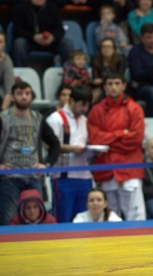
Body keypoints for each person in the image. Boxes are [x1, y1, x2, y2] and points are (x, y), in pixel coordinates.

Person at [0, 80, 60, 225]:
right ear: (12, 97)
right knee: (9, 222)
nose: (24, 96)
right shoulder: (2, 118)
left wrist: (47, 164)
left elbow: (55, 143)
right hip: (10, 177)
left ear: (31, 96)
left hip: (33, 176)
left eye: (27, 93)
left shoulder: (38, 118)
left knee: (37, 221)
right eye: (19, 93)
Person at [87, 73, 146, 221]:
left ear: (124, 86)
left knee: (136, 219)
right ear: (105, 87)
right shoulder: (96, 110)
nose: (113, 87)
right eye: (110, 83)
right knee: (108, 220)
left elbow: (136, 138)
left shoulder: (135, 109)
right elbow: (95, 139)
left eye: (117, 83)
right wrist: (120, 134)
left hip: (129, 170)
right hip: (105, 171)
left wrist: (108, 143)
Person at [46, 85, 92, 223]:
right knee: (63, 220)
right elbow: (48, 145)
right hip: (63, 176)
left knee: (84, 221)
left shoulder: (85, 120)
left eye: (87, 105)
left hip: (85, 176)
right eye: (82, 105)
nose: (85, 109)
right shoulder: (55, 118)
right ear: (71, 101)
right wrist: (72, 149)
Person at [11, 0, 73, 67]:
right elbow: (17, 30)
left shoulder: (53, 8)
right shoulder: (20, 8)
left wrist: (52, 37)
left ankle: (68, 72)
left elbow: (60, 30)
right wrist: (34, 37)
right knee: (19, 43)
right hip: (30, 41)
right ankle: (21, 72)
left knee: (67, 43)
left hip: (49, 42)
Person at [128, 23, 153, 118]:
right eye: (149, 37)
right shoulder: (135, 52)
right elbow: (136, 74)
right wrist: (152, 73)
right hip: (142, 86)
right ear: (141, 38)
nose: (152, 40)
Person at [91, 39, 127, 103]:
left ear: (114, 49)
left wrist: (103, 80)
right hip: (101, 87)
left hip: (117, 86)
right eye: (104, 47)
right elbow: (95, 80)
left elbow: (120, 77)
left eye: (109, 47)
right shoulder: (96, 61)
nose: (106, 49)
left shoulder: (120, 60)